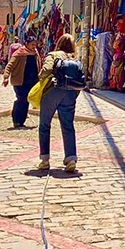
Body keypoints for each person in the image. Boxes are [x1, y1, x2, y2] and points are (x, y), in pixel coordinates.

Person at [37, 34, 82, 173]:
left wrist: (40, 77)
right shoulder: (74, 59)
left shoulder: (53, 55)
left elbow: (46, 70)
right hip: (70, 94)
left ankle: (45, 160)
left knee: (44, 125)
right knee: (68, 126)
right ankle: (71, 159)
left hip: (52, 91)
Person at [2, 34, 41, 129]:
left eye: (35, 44)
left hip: (32, 81)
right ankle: (16, 120)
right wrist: (6, 77)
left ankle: (21, 121)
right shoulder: (19, 53)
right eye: (32, 44)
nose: (34, 46)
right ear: (26, 44)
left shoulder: (35, 53)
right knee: (21, 99)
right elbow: (10, 65)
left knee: (27, 100)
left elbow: (39, 64)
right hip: (20, 81)